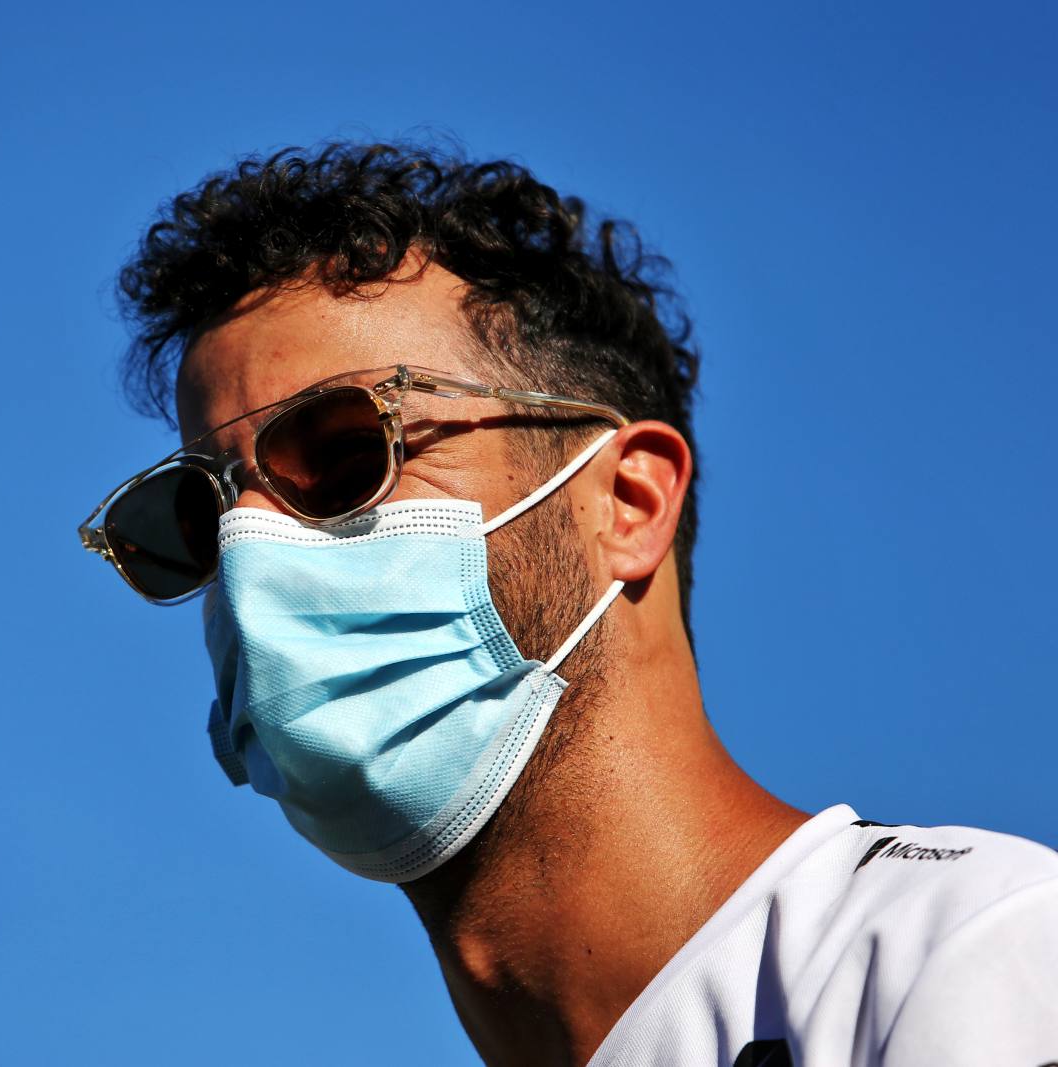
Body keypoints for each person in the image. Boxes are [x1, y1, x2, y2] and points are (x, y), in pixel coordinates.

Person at [76, 143, 1058, 1066]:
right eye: (197, 520)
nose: (254, 553)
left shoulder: (972, 956)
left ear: (626, 502)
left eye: (344, 453)